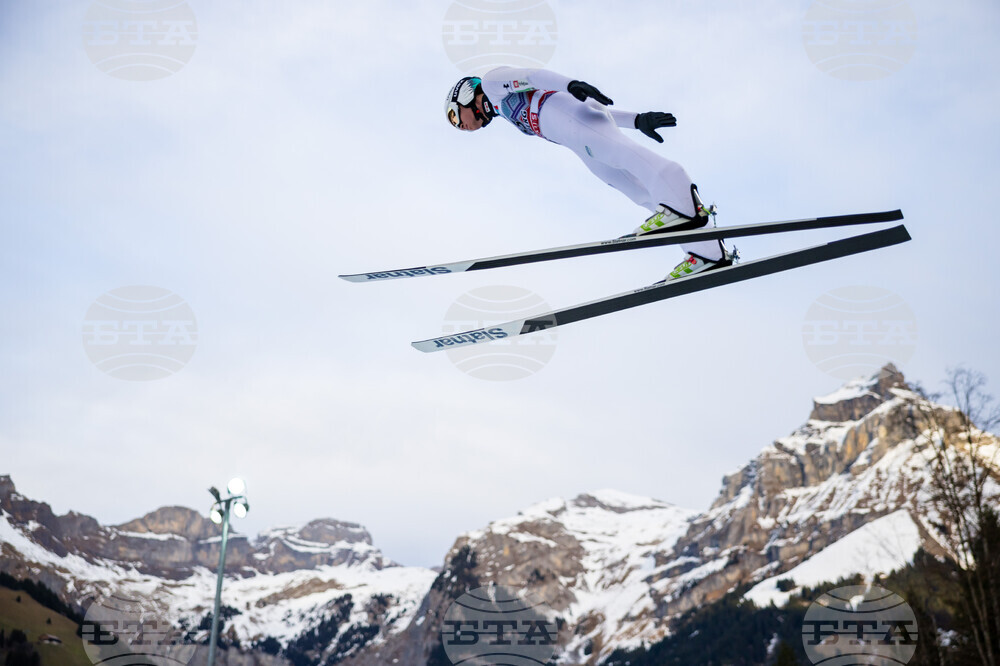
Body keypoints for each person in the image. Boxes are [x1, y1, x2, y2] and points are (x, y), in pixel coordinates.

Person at [444, 67, 736, 282]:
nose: (460, 126)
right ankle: (707, 253)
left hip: (575, 122)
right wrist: (637, 120)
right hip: (575, 137)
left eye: (455, 116)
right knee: (639, 192)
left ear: (465, 95)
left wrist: (570, 84)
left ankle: (684, 205)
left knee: (630, 156)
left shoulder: (492, 83)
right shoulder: (500, 107)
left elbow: (532, 76)